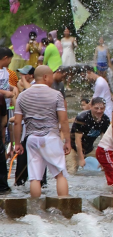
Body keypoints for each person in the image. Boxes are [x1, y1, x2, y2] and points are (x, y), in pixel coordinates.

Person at [13, 66, 71, 198]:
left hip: (32, 138)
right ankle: (64, 208)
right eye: (51, 76)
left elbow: (17, 122)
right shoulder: (56, 95)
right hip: (51, 138)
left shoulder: (22, 95)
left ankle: (36, 211)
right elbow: (64, 120)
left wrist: (17, 143)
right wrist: (67, 141)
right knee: (60, 174)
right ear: (45, 77)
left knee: (35, 178)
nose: (52, 79)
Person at [67, 98, 110, 174]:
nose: (99, 111)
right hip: (73, 148)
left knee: (106, 166)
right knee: (72, 171)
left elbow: (104, 140)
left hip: (89, 149)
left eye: (102, 108)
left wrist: (103, 159)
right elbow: (78, 140)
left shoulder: (105, 120)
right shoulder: (82, 118)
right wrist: (81, 158)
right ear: (90, 106)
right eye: (96, 108)